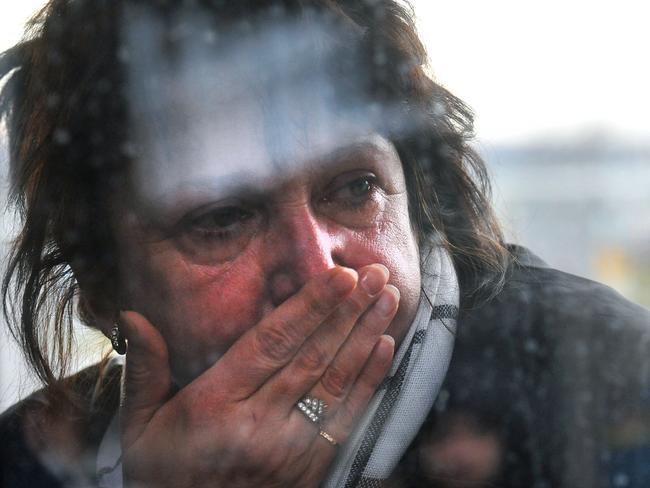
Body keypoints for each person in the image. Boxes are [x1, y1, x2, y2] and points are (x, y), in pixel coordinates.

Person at [0, 1, 648, 487]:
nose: (319, 269)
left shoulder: (604, 383)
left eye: (355, 187)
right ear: (103, 286)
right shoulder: (29, 459)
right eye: (222, 220)